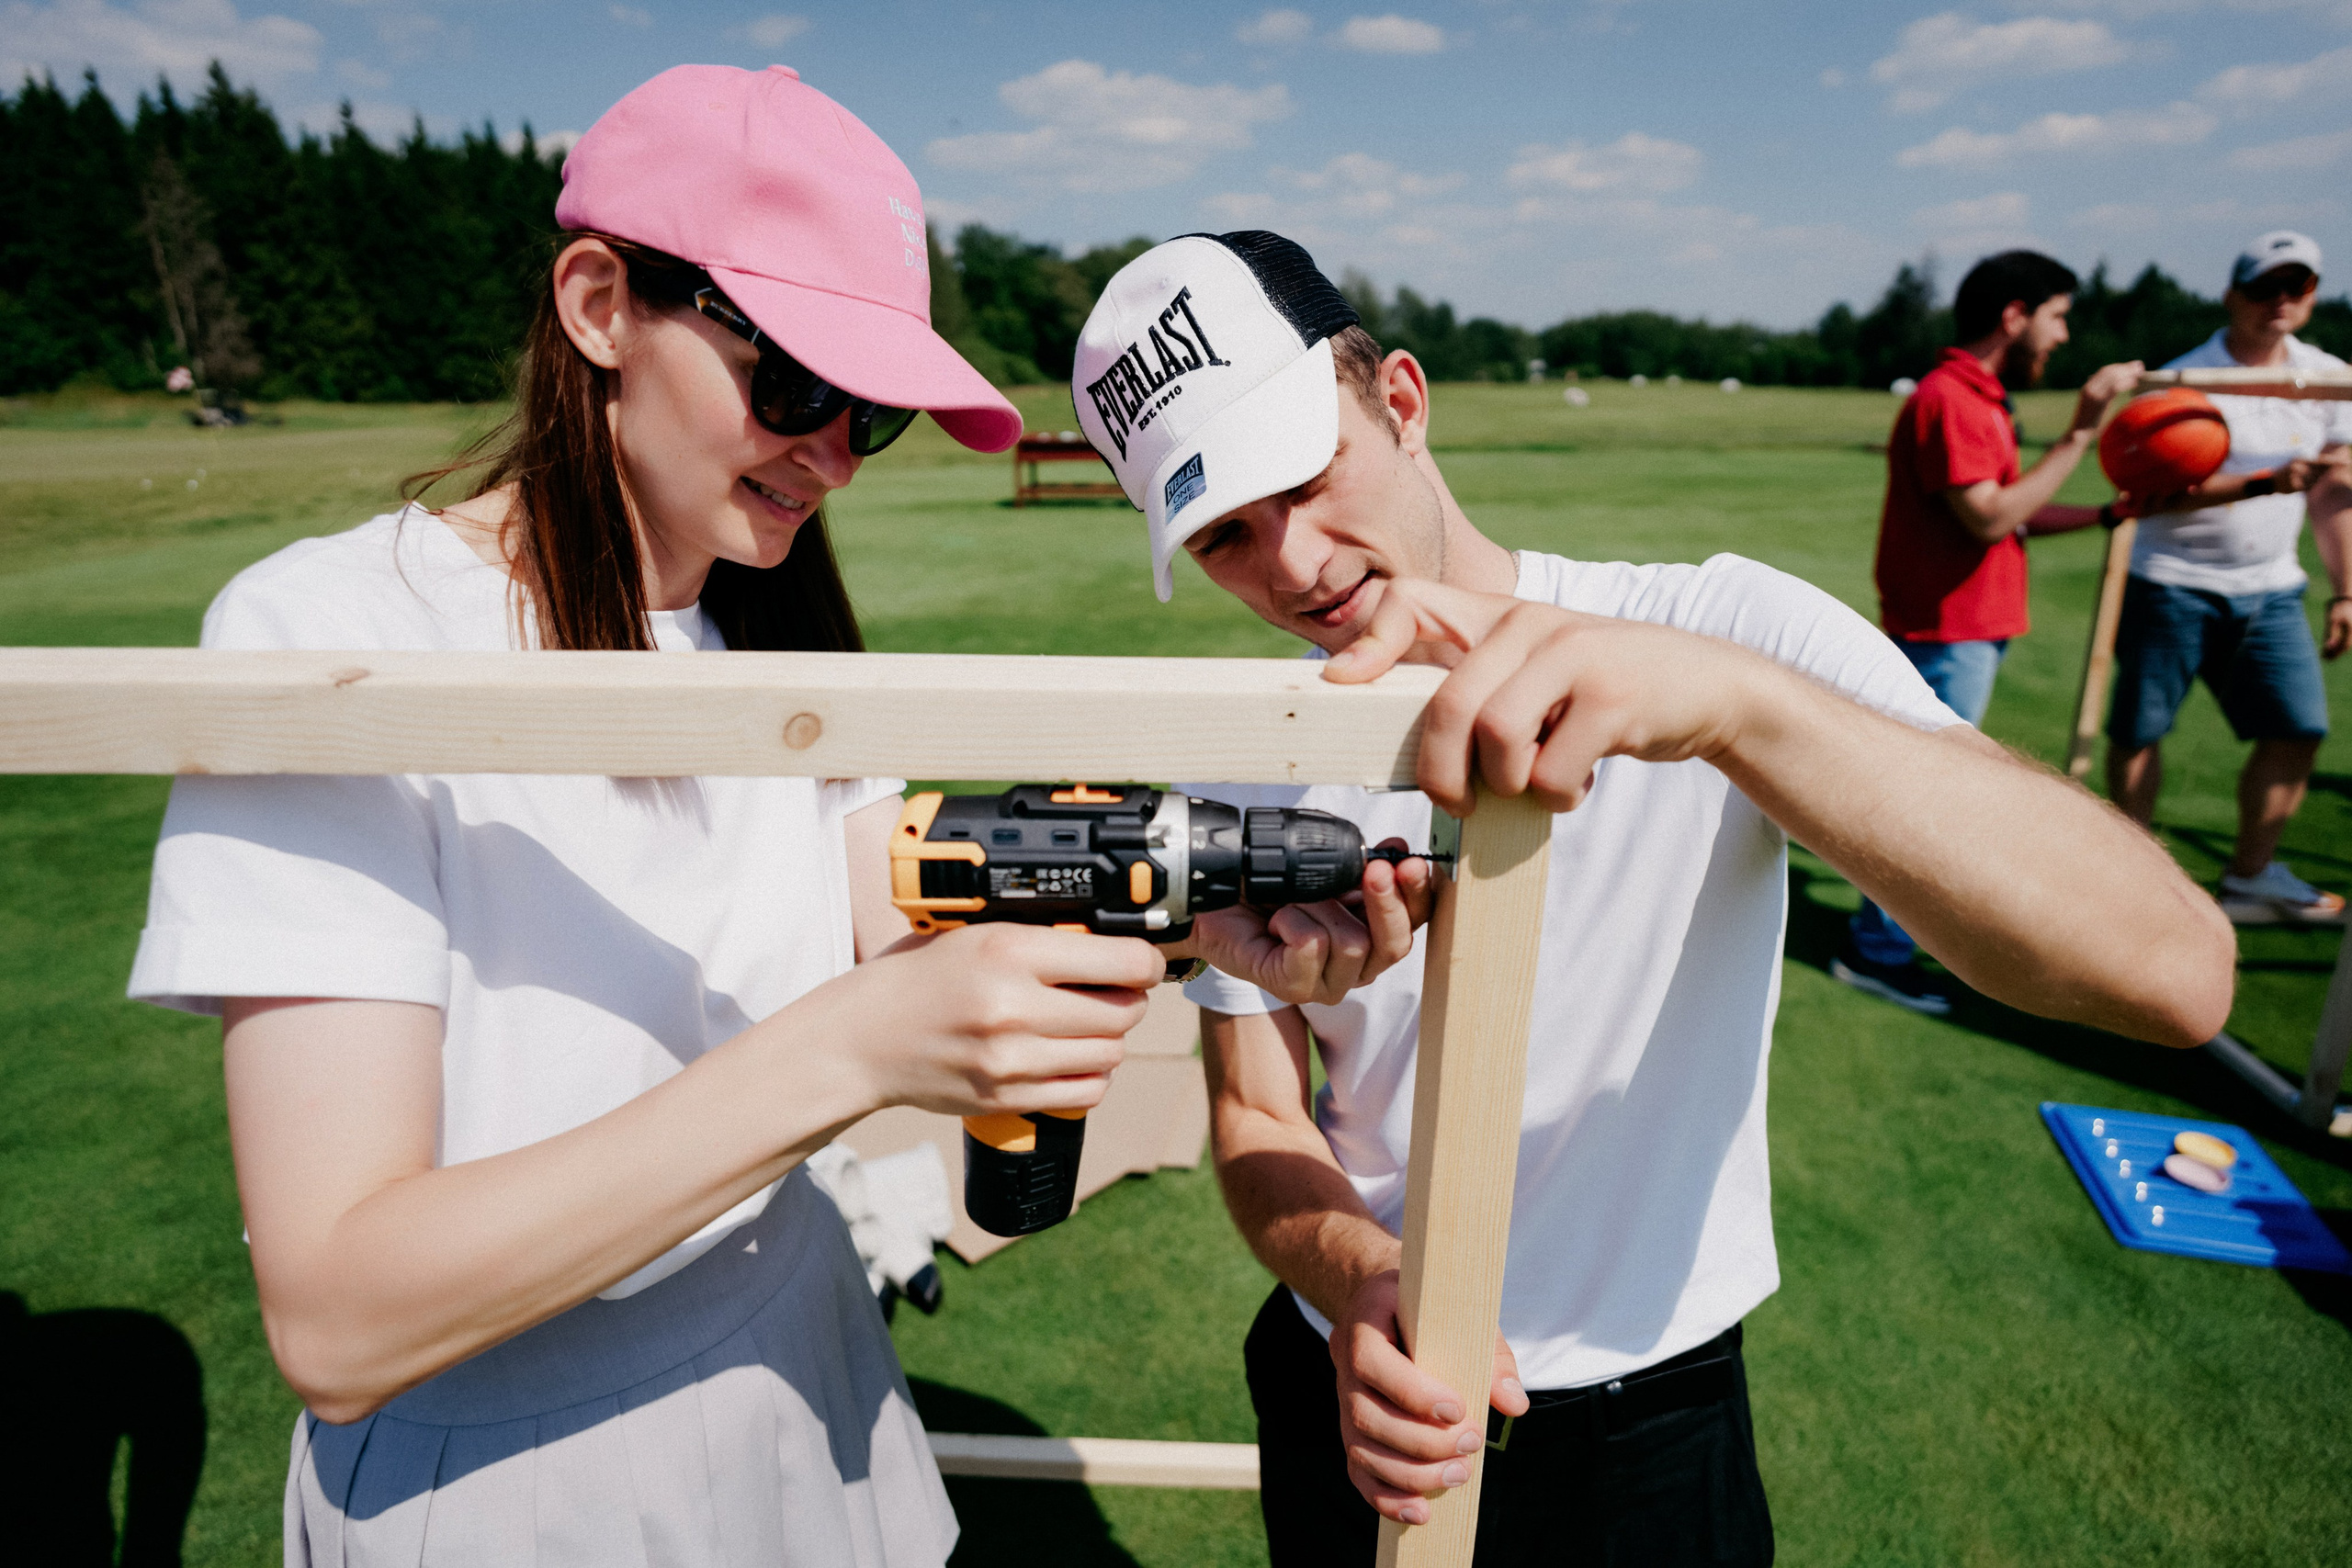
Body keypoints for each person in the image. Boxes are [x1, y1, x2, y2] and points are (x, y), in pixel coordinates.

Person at [124, 64, 1188, 1566]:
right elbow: (341, 1308)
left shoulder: (761, 627)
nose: (829, 452)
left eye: (871, 414)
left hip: (813, 1379)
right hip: (507, 1480)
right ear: (598, 303)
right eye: (799, 384)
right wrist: (852, 1047)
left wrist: (1203, 895)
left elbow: (887, 896)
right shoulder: (326, 629)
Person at [1069, 231, 2235, 1566]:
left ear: (1400, 398)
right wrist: (1353, 1273)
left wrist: (1737, 709)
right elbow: (1258, 1110)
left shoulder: (1715, 629)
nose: (1291, 563)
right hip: (1356, 1382)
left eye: (1304, 473)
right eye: (1224, 531)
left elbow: (2172, 972)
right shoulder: (1241, 745)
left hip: (1649, 1416)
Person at [1837, 250, 2145, 1012]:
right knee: (1925, 801)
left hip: (1966, 629)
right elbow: (1990, 516)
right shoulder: (1953, 398)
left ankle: (1878, 940)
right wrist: (2081, 433)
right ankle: (1875, 951)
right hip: (1947, 633)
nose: (2063, 336)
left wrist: (2105, 514)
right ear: (2015, 314)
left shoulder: (1980, 396)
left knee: (1922, 791)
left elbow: (2015, 513)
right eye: (2058, 315)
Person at [2105, 231, 2352, 924]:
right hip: (2171, 581)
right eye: (2266, 286)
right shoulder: (2188, 379)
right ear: (2232, 296)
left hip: (2272, 589)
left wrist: (2346, 589)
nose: (2281, 300)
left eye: (2297, 286)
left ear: (2311, 296)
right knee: (2140, 733)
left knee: (2298, 729)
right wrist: (2264, 482)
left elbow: (2336, 495)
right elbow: (2147, 494)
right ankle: (2131, 887)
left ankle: (2250, 877)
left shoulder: (2330, 379)